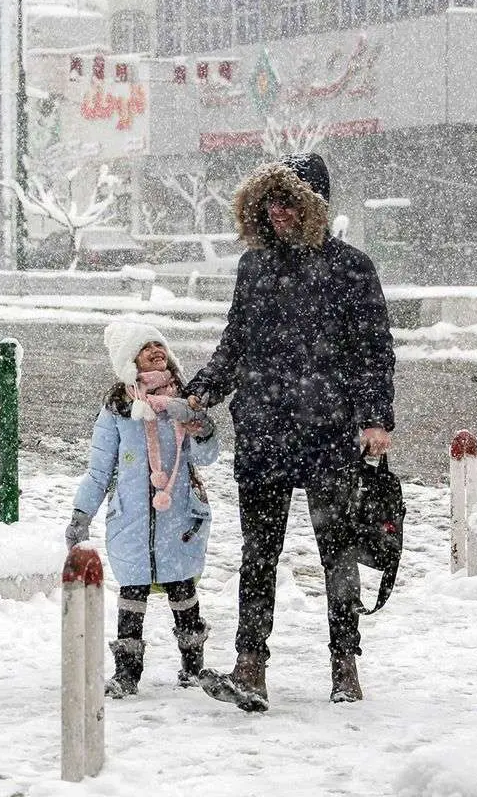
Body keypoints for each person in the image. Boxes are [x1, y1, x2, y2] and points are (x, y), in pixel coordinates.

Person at [186, 152, 396, 712]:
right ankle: (249, 665)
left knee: (338, 553)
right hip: (264, 429)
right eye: (269, 203)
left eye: (288, 203)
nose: (276, 214)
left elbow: (374, 352)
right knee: (258, 553)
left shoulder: (352, 268)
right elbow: (236, 342)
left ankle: (344, 663)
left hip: (329, 432)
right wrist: (204, 388)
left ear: (312, 208)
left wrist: (376, 417)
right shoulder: (253, 268)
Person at [67, 321, 220, 698]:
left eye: (159, 344)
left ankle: (192, 666)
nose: (156, 351)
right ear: (128, 360)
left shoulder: (183, 400)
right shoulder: (118, 408)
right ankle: (127, 673)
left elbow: (206, 455)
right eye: (145, 347)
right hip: (132, 518)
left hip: (178, 514)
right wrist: (81, 513)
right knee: (132, 593)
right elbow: (100, 469)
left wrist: (199, 425)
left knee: (182, 589)